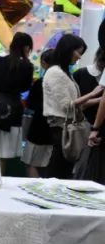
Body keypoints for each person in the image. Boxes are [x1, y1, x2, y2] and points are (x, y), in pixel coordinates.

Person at [0, 31, 34, 172]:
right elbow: (25, 87)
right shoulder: (26, 66)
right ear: (26, 47)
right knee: (3, 154)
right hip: (12, 112)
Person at [42, 34, 86, 179]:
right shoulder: (56, 72)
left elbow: (74, 103)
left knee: (62, 167)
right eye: (78, 52)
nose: (79, 56)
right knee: (59, 168)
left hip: (64, 127)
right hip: (60, 127)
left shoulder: (65, 72)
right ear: (69, 49)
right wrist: (93, 95)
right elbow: (67, 105)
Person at [22, 49, 54, 177]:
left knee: (30, 163)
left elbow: (30, 104)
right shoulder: (64, 82)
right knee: (45, 163)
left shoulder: (41, 82)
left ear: (44, 63)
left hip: (38, 127)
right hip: (53, 129)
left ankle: (35, 186)